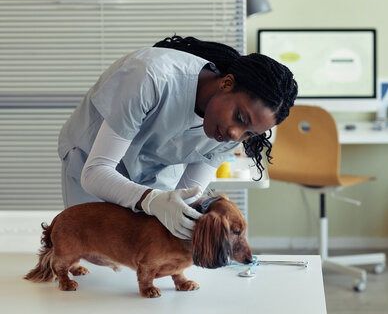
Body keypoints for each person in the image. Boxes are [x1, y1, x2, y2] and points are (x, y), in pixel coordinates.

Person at [57, 35, 298, 240]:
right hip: (92, 158)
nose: (235, 134)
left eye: (249, 133)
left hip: (155, 169)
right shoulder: (150, 77)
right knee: (94, 250)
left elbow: (187, 200)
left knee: (154, 246)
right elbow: (95, 173)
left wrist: (185, 218)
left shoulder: (232, 134)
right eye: (240, 117)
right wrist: (152, 201)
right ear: (227, 83)